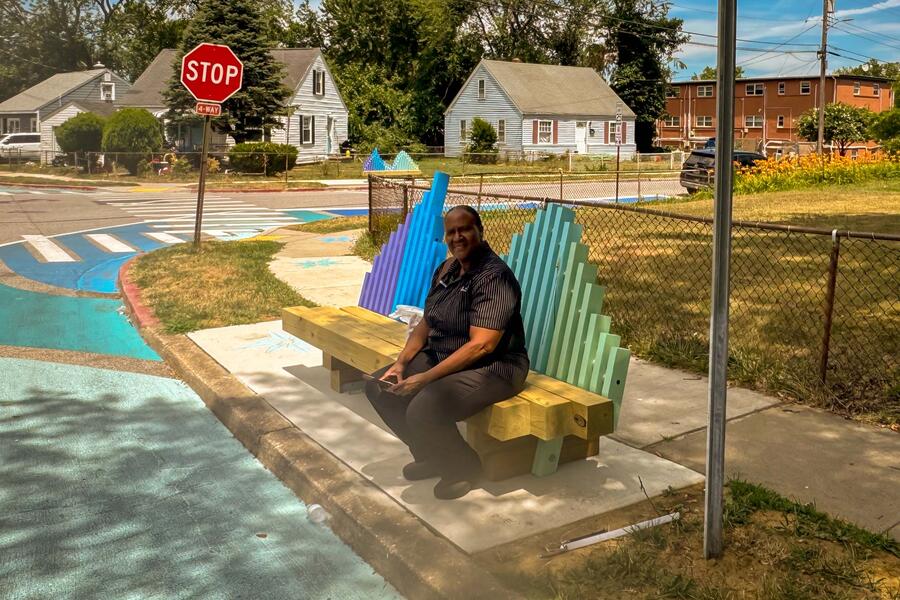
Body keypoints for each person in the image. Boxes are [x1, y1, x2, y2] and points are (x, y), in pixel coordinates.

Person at [365, 205, 529, 500]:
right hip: (446, 356)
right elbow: (426, 323)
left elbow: (483, 345)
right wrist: (401, 364)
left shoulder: (494, 277)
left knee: (425, 407)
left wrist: (425, 378)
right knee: (381, 388)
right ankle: (432, 456)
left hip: (495, 367)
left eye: (464, 229)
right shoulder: (447, 269)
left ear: (480, 230)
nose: (458, 237)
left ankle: (462, 467)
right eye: (451, 232)